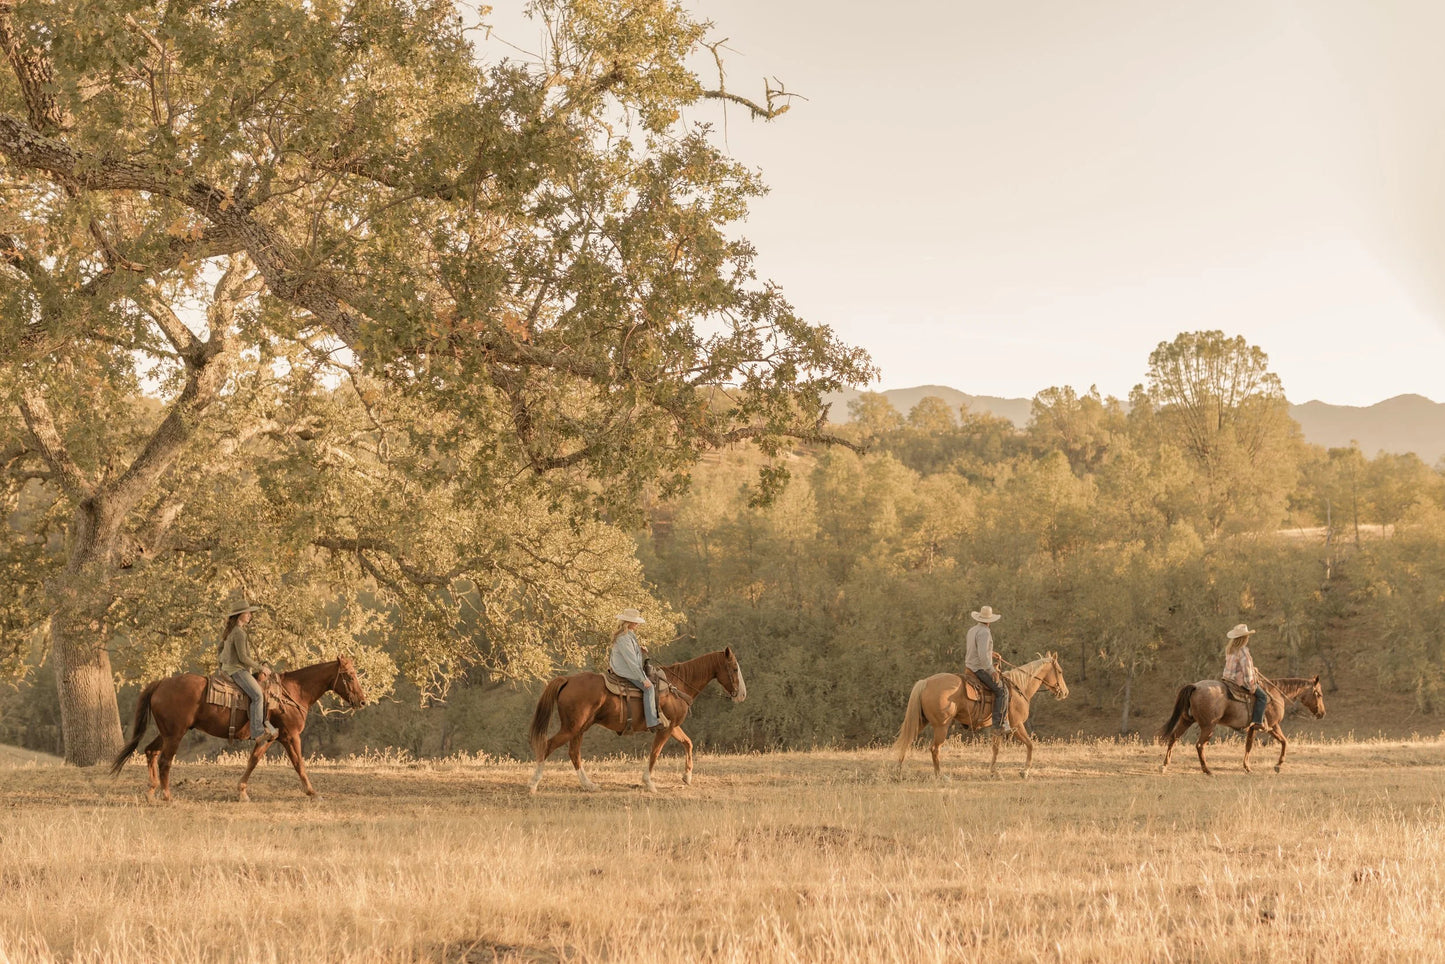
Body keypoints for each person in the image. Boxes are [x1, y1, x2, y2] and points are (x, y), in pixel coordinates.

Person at [218, 602, 279, 742]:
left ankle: (263, 724)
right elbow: (243, 658)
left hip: (229, 668)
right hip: (237, 670)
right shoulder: (239, 633)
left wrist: (221, 666)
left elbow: (219, 649)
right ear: (240, 615)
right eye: (247, 613)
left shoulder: (231, 630)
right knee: (258, 696)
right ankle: (258, 733)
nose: (250, 615)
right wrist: (261, 668)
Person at [609, 608, 668, 732]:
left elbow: (630, 652)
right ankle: (652, 722)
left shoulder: (629, 634)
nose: (637, 624)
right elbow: (631, 661)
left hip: (627, 666)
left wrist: (639, 650)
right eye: (635, 622)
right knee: (649, 688)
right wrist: (642, 679)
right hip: (624, 669)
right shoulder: (624, 638)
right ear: (628, 622)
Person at [965, 605, 1011, 735]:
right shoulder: (985, 632)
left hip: (969, 666)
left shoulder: (972, 630)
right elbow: (983, 657)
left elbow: (976, 649)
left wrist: (991, 653)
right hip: (979, 668)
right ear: (990, 620)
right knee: (1003, 690)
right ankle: (999, 725)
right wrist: (992, 671)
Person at [1222, 623, 1269, 732]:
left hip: (1228, 678)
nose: (1248, 638)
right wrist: (1251, 685)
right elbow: (1246, 670)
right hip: (1238, 681)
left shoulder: (1230, 649)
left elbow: (1236, 665)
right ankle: (1257, 722)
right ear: (1244, 638)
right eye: (1247, 637)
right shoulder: (1243, 651)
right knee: (1263, 697)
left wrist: (1253, 668)